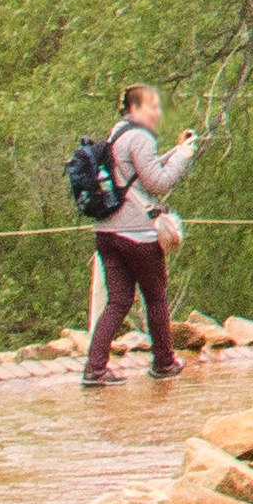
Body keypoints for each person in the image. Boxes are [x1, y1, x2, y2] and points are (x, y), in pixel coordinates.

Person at [83, 80, 202, 386]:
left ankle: (95, 368)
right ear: (135, 108)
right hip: (136, 232)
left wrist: (176, 149)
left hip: (107, 231)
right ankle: (163, 362)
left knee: (119, 300)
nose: (157, 113)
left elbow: (135, 176)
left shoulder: (115, 134)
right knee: (156, 297)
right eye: (152, 107)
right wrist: (184, 158)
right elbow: (158, 183)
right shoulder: (139, 136)